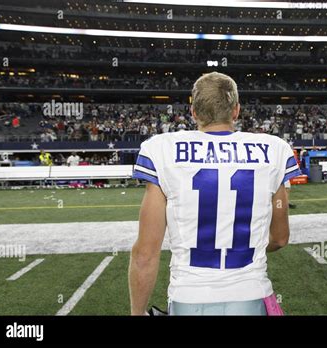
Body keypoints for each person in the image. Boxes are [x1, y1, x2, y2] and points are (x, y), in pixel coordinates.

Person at [129, 72, 301, 316]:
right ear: (236, 110)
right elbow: (280, 238)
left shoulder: (161, 149)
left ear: (194, 112)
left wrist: (137, 313)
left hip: (188, 297)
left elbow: (145, 254)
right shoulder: (274, 149)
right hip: (250, 295)